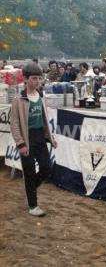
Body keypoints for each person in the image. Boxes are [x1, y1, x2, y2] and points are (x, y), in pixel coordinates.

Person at [10, 63, 58, 216]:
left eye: (39, 78)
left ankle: (30, 189)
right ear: (25, 79)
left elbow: (44, 119)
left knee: (46, 167)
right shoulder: (19, 99)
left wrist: (50, 138)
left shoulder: (40, 95)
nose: (37, 81)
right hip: (26, 138)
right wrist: (20, 143)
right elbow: (15, 124)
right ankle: (33, 206)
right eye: (33, 78)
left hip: (39, 137)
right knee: (29, 172)